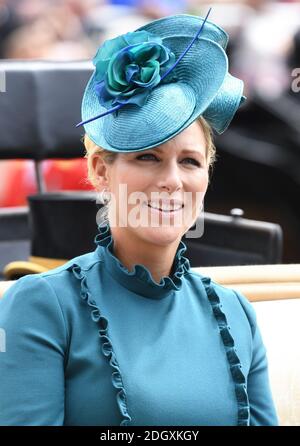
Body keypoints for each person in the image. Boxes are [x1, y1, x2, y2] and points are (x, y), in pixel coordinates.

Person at [0, 12, 278, 426]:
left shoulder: (237, 312)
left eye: (189, 161)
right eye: (147, 156)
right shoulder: (41, 306)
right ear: (99, 170)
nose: (171, 181)